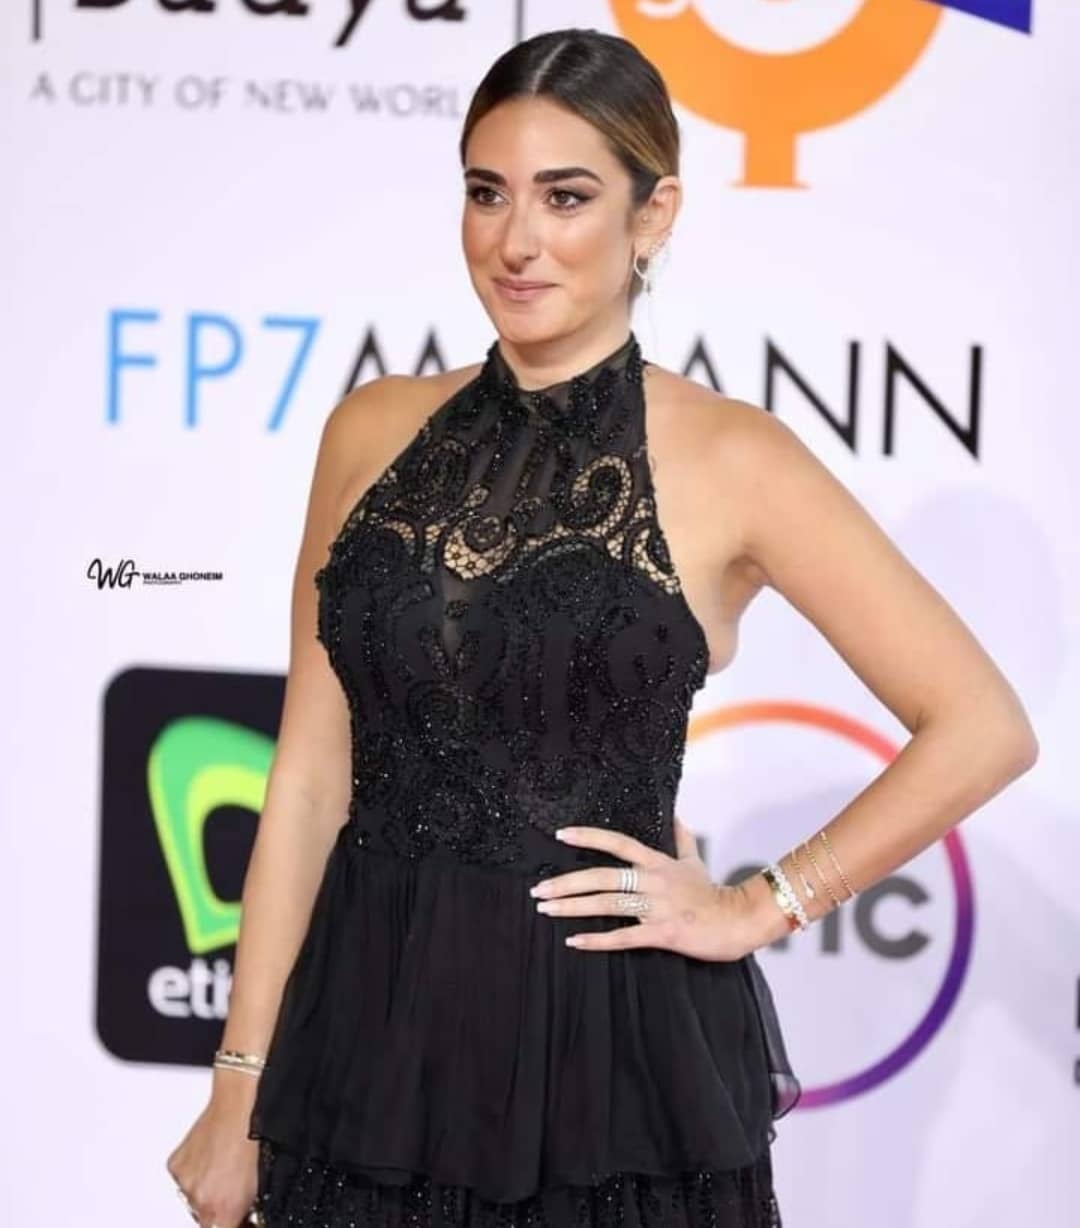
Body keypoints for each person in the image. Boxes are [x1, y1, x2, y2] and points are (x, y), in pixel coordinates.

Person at [165, 26, 1038, 1228]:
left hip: (608, 1056)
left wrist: (760, 902)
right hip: (366, 1044)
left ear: (653, 213)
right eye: (487, 193)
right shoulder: (369, 429)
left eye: (565, 197)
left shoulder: (734, 457)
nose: (516, 240)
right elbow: (310, 779)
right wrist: (239, 1079)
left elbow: (982, 725)